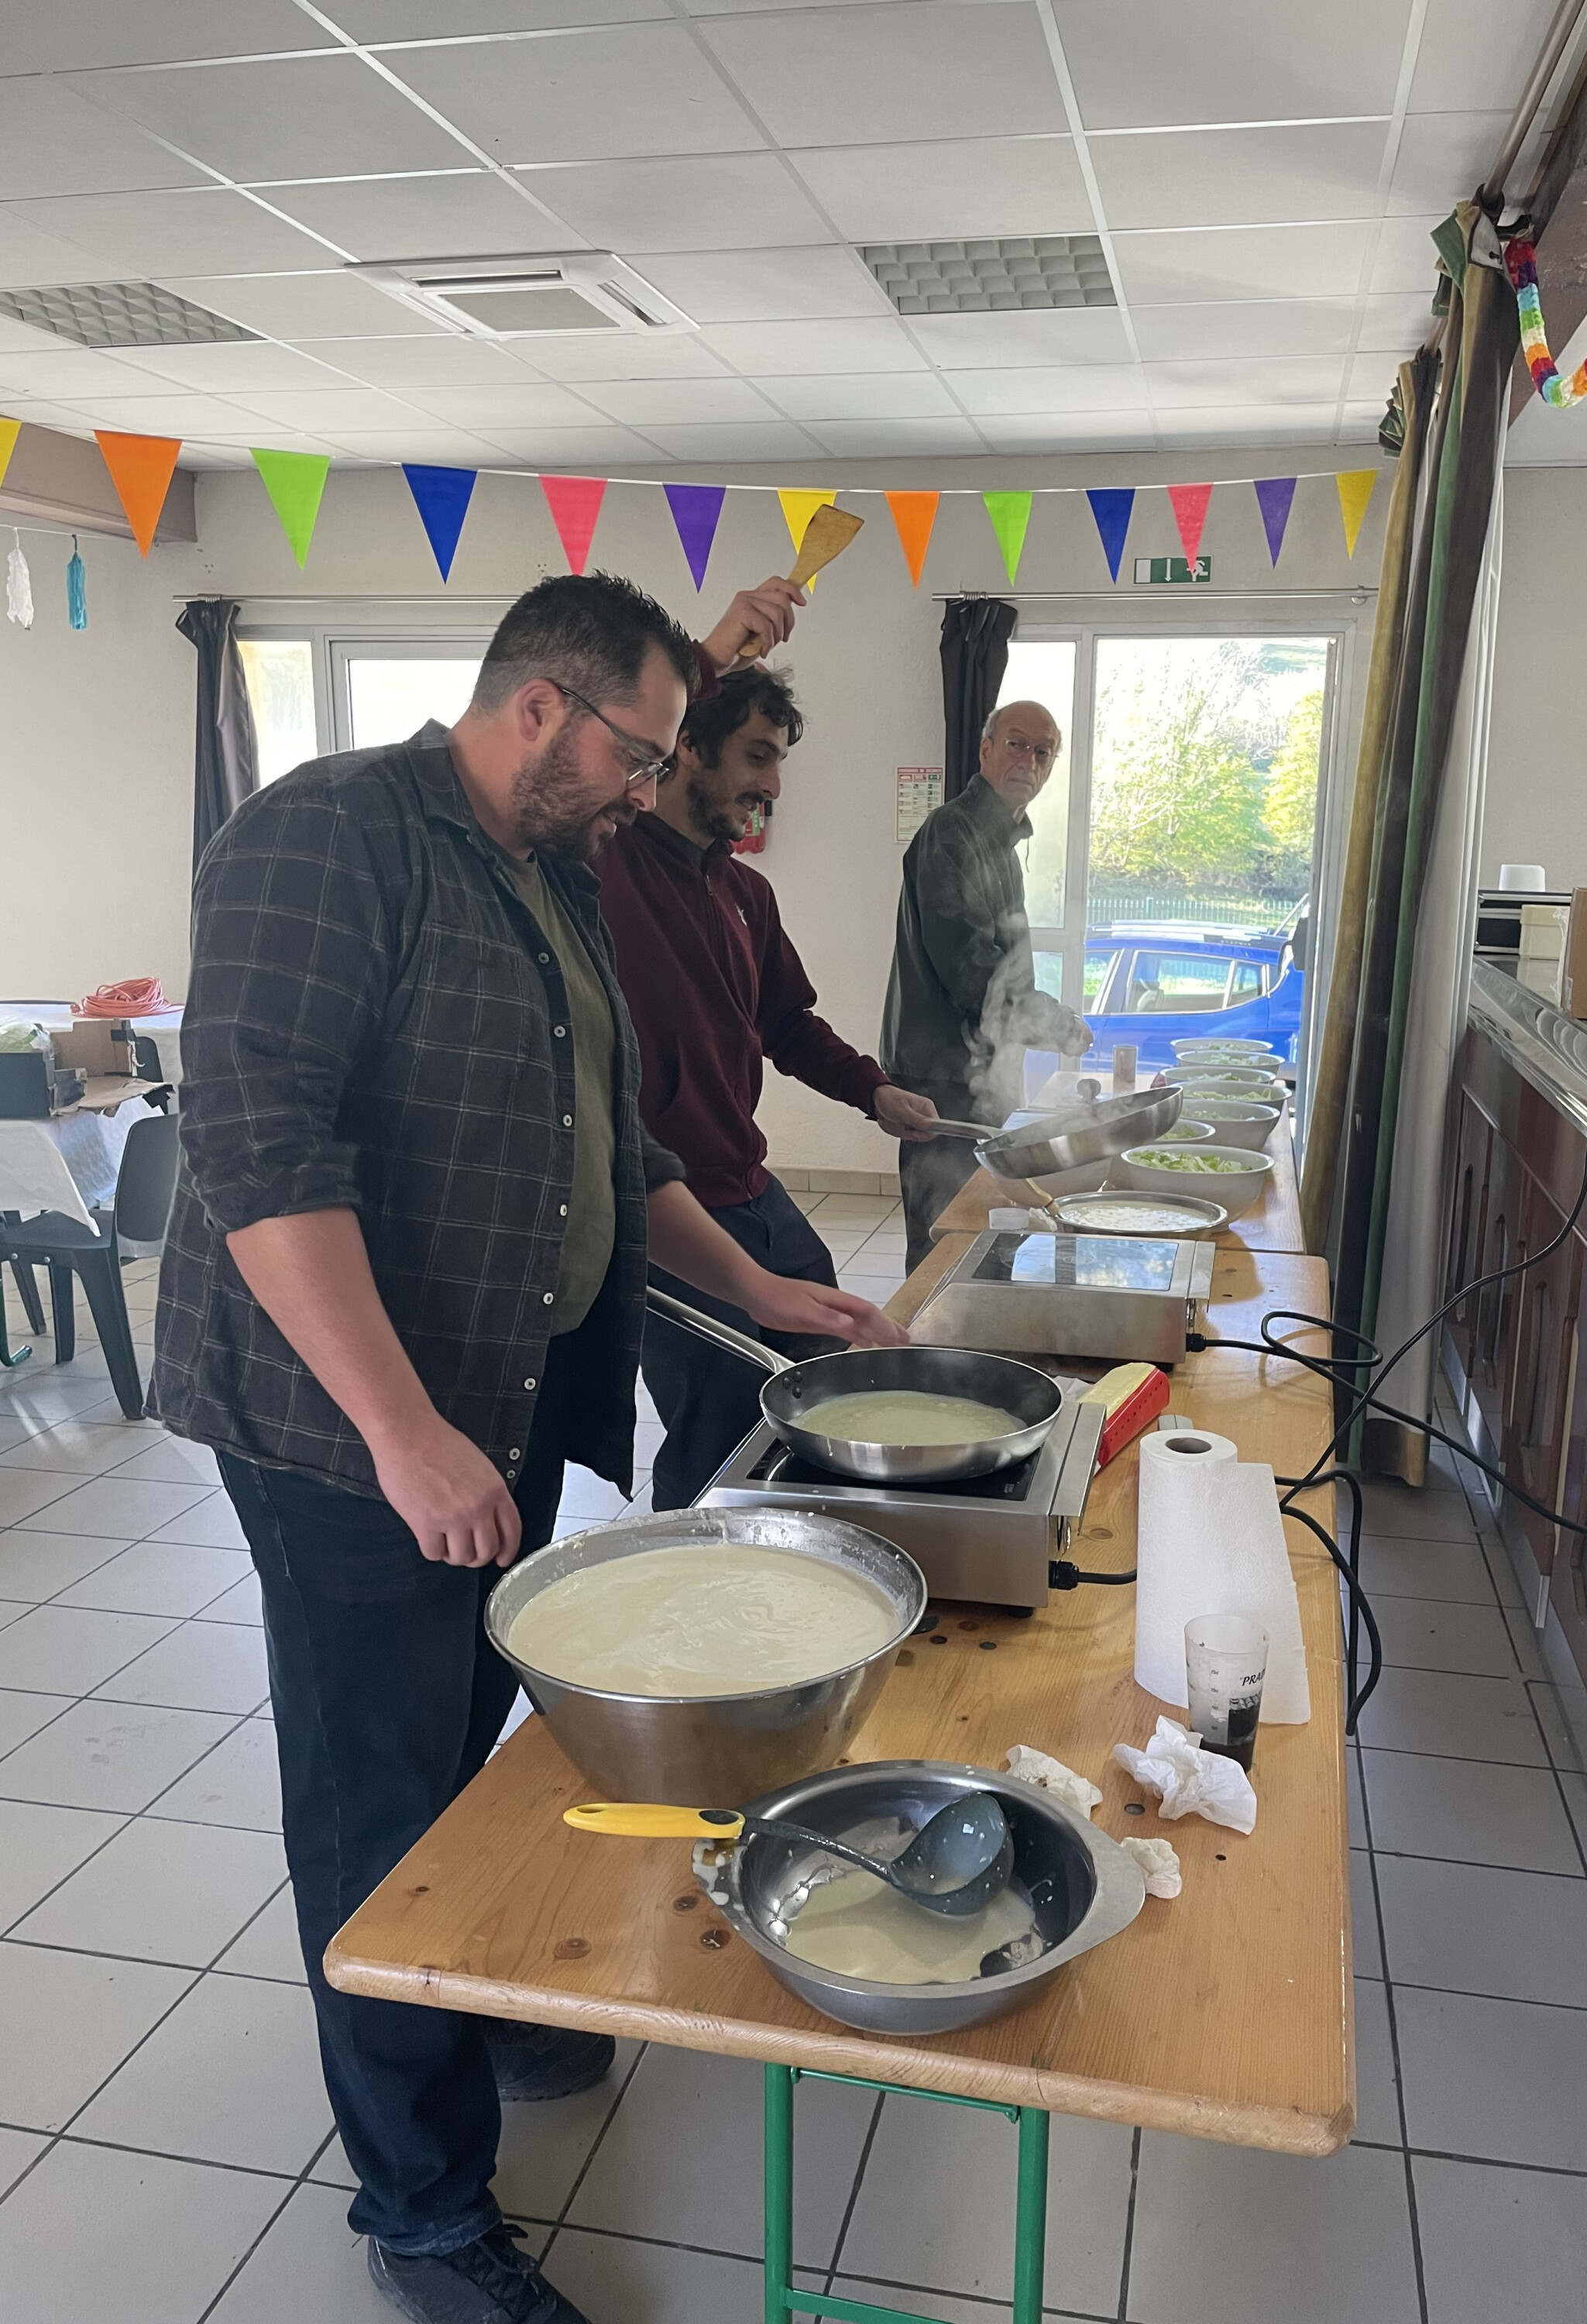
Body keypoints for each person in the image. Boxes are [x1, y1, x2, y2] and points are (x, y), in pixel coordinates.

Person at [151, 572, 903, 2324]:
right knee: (376, 1790)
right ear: (541, 707)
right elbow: (259, 1147)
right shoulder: (329, 835)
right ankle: (421, 2211)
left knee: (469, 1729)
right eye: (641, 750)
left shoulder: (554, 862)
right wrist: (400, 1430)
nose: (656, 786)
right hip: (350, 1427)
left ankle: (452, 2000)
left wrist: (758, 1283)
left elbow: (613, 1137)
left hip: (508, 1387)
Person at [597, 664, 938, 1506]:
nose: (772, 786)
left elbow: (785, 1023)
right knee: (717, 1429)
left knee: (823, 1375)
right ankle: (696, 1556)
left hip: (753, 1189)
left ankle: (801, 1533)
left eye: (778, 760)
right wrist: (706, 654)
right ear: (686, 745)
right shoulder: (605, 869)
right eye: (756, 755)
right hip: (665, 1209)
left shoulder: (747, 892)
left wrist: (873, 1092)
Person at [881, 699, 1091, 1271]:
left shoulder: (999, 843)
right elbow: (973, 970)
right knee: (949, 1234)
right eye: (1017, 744)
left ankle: (974, 1324)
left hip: (980, 1069)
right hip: (944, 1075)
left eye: (1043, 752)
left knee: (990, 1227)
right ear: (985, 750)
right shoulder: (953, 832)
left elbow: (1003, 970)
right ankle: (932, 1329)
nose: (1029, 760)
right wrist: (1056, 1025)